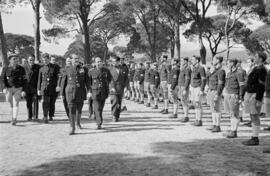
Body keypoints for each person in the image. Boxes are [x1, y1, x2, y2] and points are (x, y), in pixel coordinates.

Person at [242, 52, 268, 146]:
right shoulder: (256, 68)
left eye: (256, 57)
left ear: (261, 59)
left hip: (255, 94)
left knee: (255, 116)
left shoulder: (262, 70)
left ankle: (255, 138)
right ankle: (253, 136)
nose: (254, 58)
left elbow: (262, 85)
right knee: (252, 116)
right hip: (250, 93)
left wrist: (258, 99)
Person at [60, 56, 90, 135]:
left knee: (79, 109)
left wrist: (89, 91)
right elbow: (63, 81)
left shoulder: (83, 69)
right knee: (71, 109)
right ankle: (72, 127)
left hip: (80, 91)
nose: (76, 60)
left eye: (77, 58)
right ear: (71, 60)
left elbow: (87, 81)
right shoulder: (67, 69)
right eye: (74, 59)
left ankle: (78, 123)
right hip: (70, 91)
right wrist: (61, 93)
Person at [0, 55, 27, 125]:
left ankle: (14, 119)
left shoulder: (21, 69)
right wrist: (4, 88)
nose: (16, 60)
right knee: (10, 103)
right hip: (8, 88)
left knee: (16, 103)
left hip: (18, 88)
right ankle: (12, 117)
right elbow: (2, 79)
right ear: (10, 60)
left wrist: (24, 90)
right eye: (14, 59)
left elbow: (25, 80)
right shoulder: (5, 68)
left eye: (17, 59)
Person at [223, 58, 245, 138]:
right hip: (228, 94)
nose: (227, 64)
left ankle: (234, 131)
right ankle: (232, 129)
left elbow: (242, 86)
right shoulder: (229, 73)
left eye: (228, 63)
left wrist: (240, 97)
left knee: (235, 114)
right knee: (231, 113)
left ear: (232, 63)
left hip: (234, 95)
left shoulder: (239, 73)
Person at [88, 57, 112, 129]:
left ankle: (97, 116)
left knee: (100, 108)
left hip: (104, 92)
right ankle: (99, 123)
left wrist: (111, 88)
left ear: (102, 62)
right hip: (95, 92)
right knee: (97, 107)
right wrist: (89, 92)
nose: (99, 63)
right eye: (97, 62)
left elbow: (110, 80)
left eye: (100, 61)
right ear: (95, 63)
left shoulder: (106, 71)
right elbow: (89, 82)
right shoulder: (91, 71)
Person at [37, 54, 60, 123]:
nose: (45, 61)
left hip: (53, 87)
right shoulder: (41, 68)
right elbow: (39, 79)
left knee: (52, 102)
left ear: (49, 59)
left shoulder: (55, 67)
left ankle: (50, 115)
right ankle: (45, 116)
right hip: (44, 88)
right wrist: (38, 89)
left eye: (46, 60)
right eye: (43, 60)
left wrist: (58, 86)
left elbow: (58, 77)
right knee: (45, 102)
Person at [206, 56, 226, 132]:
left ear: (218, 61)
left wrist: (218, 94)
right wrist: (210, 72)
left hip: (216, 91)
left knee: (216, 109)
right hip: (211, 90)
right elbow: (207, 78)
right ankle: (214, 124)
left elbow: (221, 84)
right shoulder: (213, 70)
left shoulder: (221, 71)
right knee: (212, 109)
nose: (212, 61)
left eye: (214, 59)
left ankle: (217, 126)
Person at [109, 56, 129, 122]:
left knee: (119, 103)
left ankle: (117, 115)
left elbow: (126, 78)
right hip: (113, 88)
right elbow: (110, 79)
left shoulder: (123, 68)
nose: (114, 63)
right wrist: (112, 87)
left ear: (118, 61)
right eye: (113, 61)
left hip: (121, 88)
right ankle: (114, 115)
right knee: (114, 101)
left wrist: (126, 87)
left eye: (115, 61)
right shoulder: (110, 69)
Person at [190, 56, 206, 126]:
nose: (191, 61)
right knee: (195, 104)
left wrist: (202, 89)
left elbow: (204, 79)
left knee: (198, 104)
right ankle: (197, 119)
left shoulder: (201, 68)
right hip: (193, 87)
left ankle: (199, 120)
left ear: (197, 61)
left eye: (193, 60)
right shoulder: (194, 68)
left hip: (198, 87)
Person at [25, 55, 40, 121]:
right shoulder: (24, 67)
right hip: (27, 88)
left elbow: (39, 78)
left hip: (35, 88)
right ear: (28, 60)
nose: (32, 61)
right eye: (30, 60)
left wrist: (39, 88)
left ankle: (35, 116)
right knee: (28, 103)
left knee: (36, 102)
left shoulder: (38, 67)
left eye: (33, 60)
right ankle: (29, 116)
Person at [178, 57, 192, 122]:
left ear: (185, 61)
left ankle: (186, 116)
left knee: (184, 101)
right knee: (182, 101)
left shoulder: (187, 69)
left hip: (184, 86)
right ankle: (185, 116)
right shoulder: (183, 68)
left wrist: (185, 89)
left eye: (182, 61)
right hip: (181, 86)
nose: (181, 62)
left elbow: (187, 79)